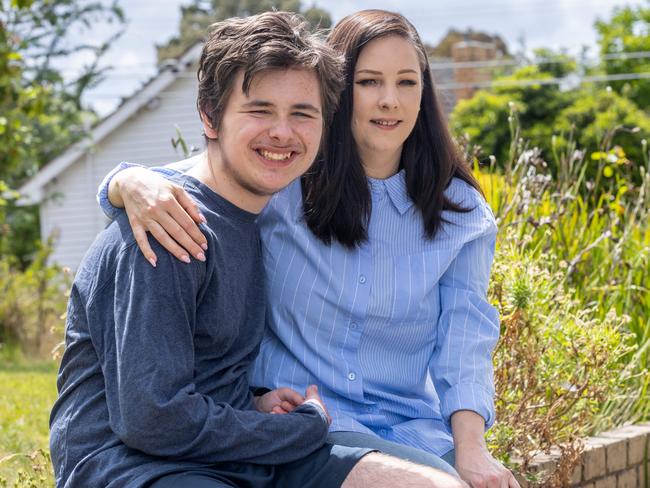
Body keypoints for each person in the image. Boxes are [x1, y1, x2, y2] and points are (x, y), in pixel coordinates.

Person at [98, 10, 519, 488]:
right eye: (368, 81)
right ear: (340, 95)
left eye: (407, 82)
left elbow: (465, 342)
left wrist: (472, 449)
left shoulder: (460, 213)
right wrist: (124, 180)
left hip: (407, 423)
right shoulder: (285, 180)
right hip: (299, 419)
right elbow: (199, 180)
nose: (389, 100)